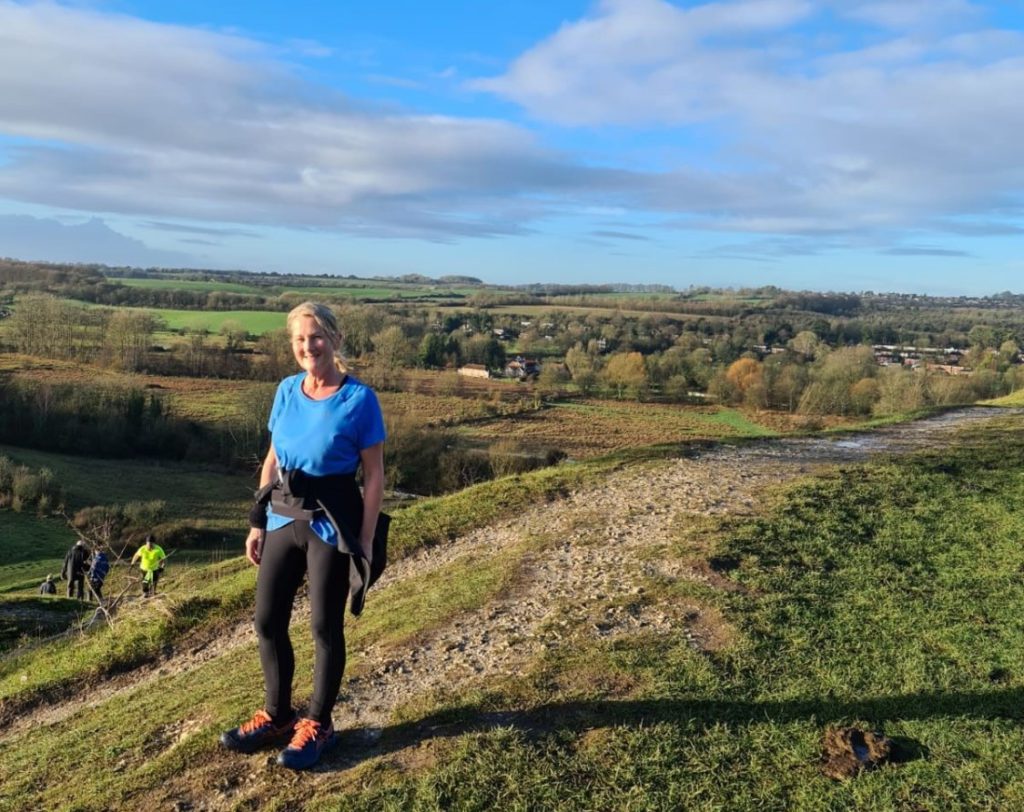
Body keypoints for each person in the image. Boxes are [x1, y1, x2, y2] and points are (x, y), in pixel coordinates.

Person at [220, 301, 385, 771]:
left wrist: (366, 539)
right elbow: (272, 459)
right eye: (299, 339)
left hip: (331, 523)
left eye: (316, 337)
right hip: (281, 516)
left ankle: (319, 724)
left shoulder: (359, 399)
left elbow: (373, 477)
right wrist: (257, 520)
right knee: (267, 621)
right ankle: (276, 715)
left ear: (335, 339)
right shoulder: (287, 390)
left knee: (323, 627)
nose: (307, 346)